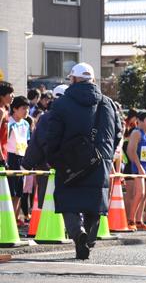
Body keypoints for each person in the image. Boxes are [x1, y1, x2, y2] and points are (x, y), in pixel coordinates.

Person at [46, 62, 122, 260]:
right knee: (94, 204)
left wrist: (53, 157)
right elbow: (118, 133)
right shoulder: (108, 103)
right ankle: (87, 239)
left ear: (73, 79)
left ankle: (77, 233)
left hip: (70, 161)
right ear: (93, 80)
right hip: (100, 161)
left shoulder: (62, 103)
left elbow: (53, 134)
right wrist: (106, 155)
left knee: (69, 202)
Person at [6, 96, 30, 222]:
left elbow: (27, 141)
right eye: (23, 108)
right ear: (15, 109)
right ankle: (6, 221)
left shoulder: (26, 123)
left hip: (22, 158)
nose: (26, 111)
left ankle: (15, 221)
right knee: (9, 191)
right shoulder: (8, 122)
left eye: (27, 108)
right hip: (10, 158)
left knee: (19, 192)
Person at [0, 81, 14, 167]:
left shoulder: (5, 109)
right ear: (1, 96)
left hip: (4, 152)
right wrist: (1, 156)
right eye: (10, 93)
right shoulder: (0, 111)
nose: (13, 96)